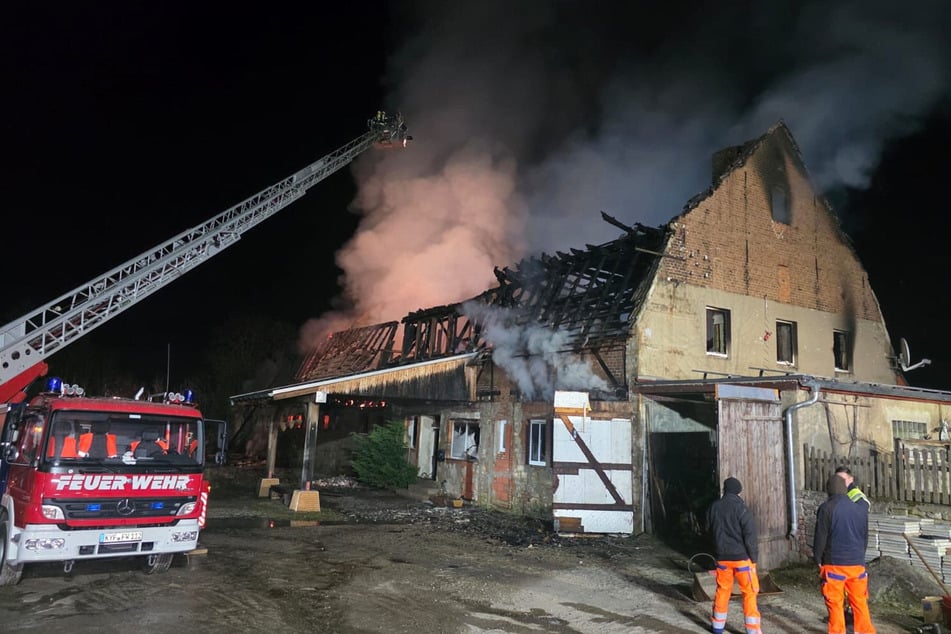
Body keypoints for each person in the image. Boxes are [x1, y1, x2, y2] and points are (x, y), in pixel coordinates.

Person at [814, 473, 876, 634]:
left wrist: (818, 559)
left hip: (834, 565)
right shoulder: (860, 509)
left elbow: (821, 537)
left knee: (835, 604)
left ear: (829, 490)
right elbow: (864, 537)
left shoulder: (826, 508)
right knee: (859, 602)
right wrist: (859, 557)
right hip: (857, 564)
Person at [706, 477, 762, 634]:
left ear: (725, 490)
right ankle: (752, 630)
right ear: (738, 491)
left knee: (723, 591)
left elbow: (708, 531)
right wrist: (754, 559)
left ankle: (717, 627)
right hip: (742, 560)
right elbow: (750, 536)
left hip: (722, 559)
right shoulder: (742, 509)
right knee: (749, 593)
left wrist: (715, 553)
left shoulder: (714, 507)